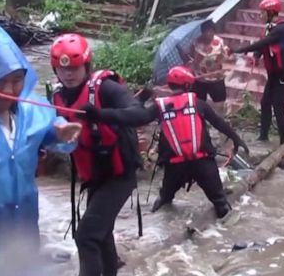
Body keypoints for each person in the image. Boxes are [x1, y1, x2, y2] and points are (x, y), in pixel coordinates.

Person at [0, 24, 81, 276]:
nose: (10, 90)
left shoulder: (31, 112)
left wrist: (62, 133)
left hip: (22, 223)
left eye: (17, 80)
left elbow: (54, 131)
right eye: (3, 81)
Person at [46, 33, 143, 276]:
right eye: (63, 69)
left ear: (87, 66)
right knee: (100, 233)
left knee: (86, 235)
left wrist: (100, 113)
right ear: (55, 70)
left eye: (75, 67)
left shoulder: (107, 88)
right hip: (95, 178)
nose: (69, 73)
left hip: (121, 175)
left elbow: (140, 113)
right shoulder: (58, 98)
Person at [85, 65, 249, 219]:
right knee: (221, 204)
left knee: (164, 200)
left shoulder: (160, 106)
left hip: (174, 165)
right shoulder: (199, 103)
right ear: (189, 86)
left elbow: (137, 118)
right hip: (203, 162)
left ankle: (160, 231)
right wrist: (236, 139)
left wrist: (101, 113)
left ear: (170, 86)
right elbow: (219, 123)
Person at [234, 0, 284, 144]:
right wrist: (256, 55)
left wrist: (243, 49)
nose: (260, 15)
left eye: (262, 12)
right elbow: (266, 46)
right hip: (274, 74)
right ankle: (263, 136)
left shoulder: (282, 29)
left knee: (278, 106)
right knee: (265, 103)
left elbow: (265, 42)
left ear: (270, 12)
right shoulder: (271, 28)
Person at [187, 19, 233, 111]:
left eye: (211, 31)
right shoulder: (196, 42)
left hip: (216, 79)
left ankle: (219, 121)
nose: (208, 34)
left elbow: (228, 56)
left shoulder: (219, 42)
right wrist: (193, 63)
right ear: (202, 32)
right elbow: (191, 57)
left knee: (219, 104)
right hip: (200, 80)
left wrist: (222, 60)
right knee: (198, 105)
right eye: (206, 31)